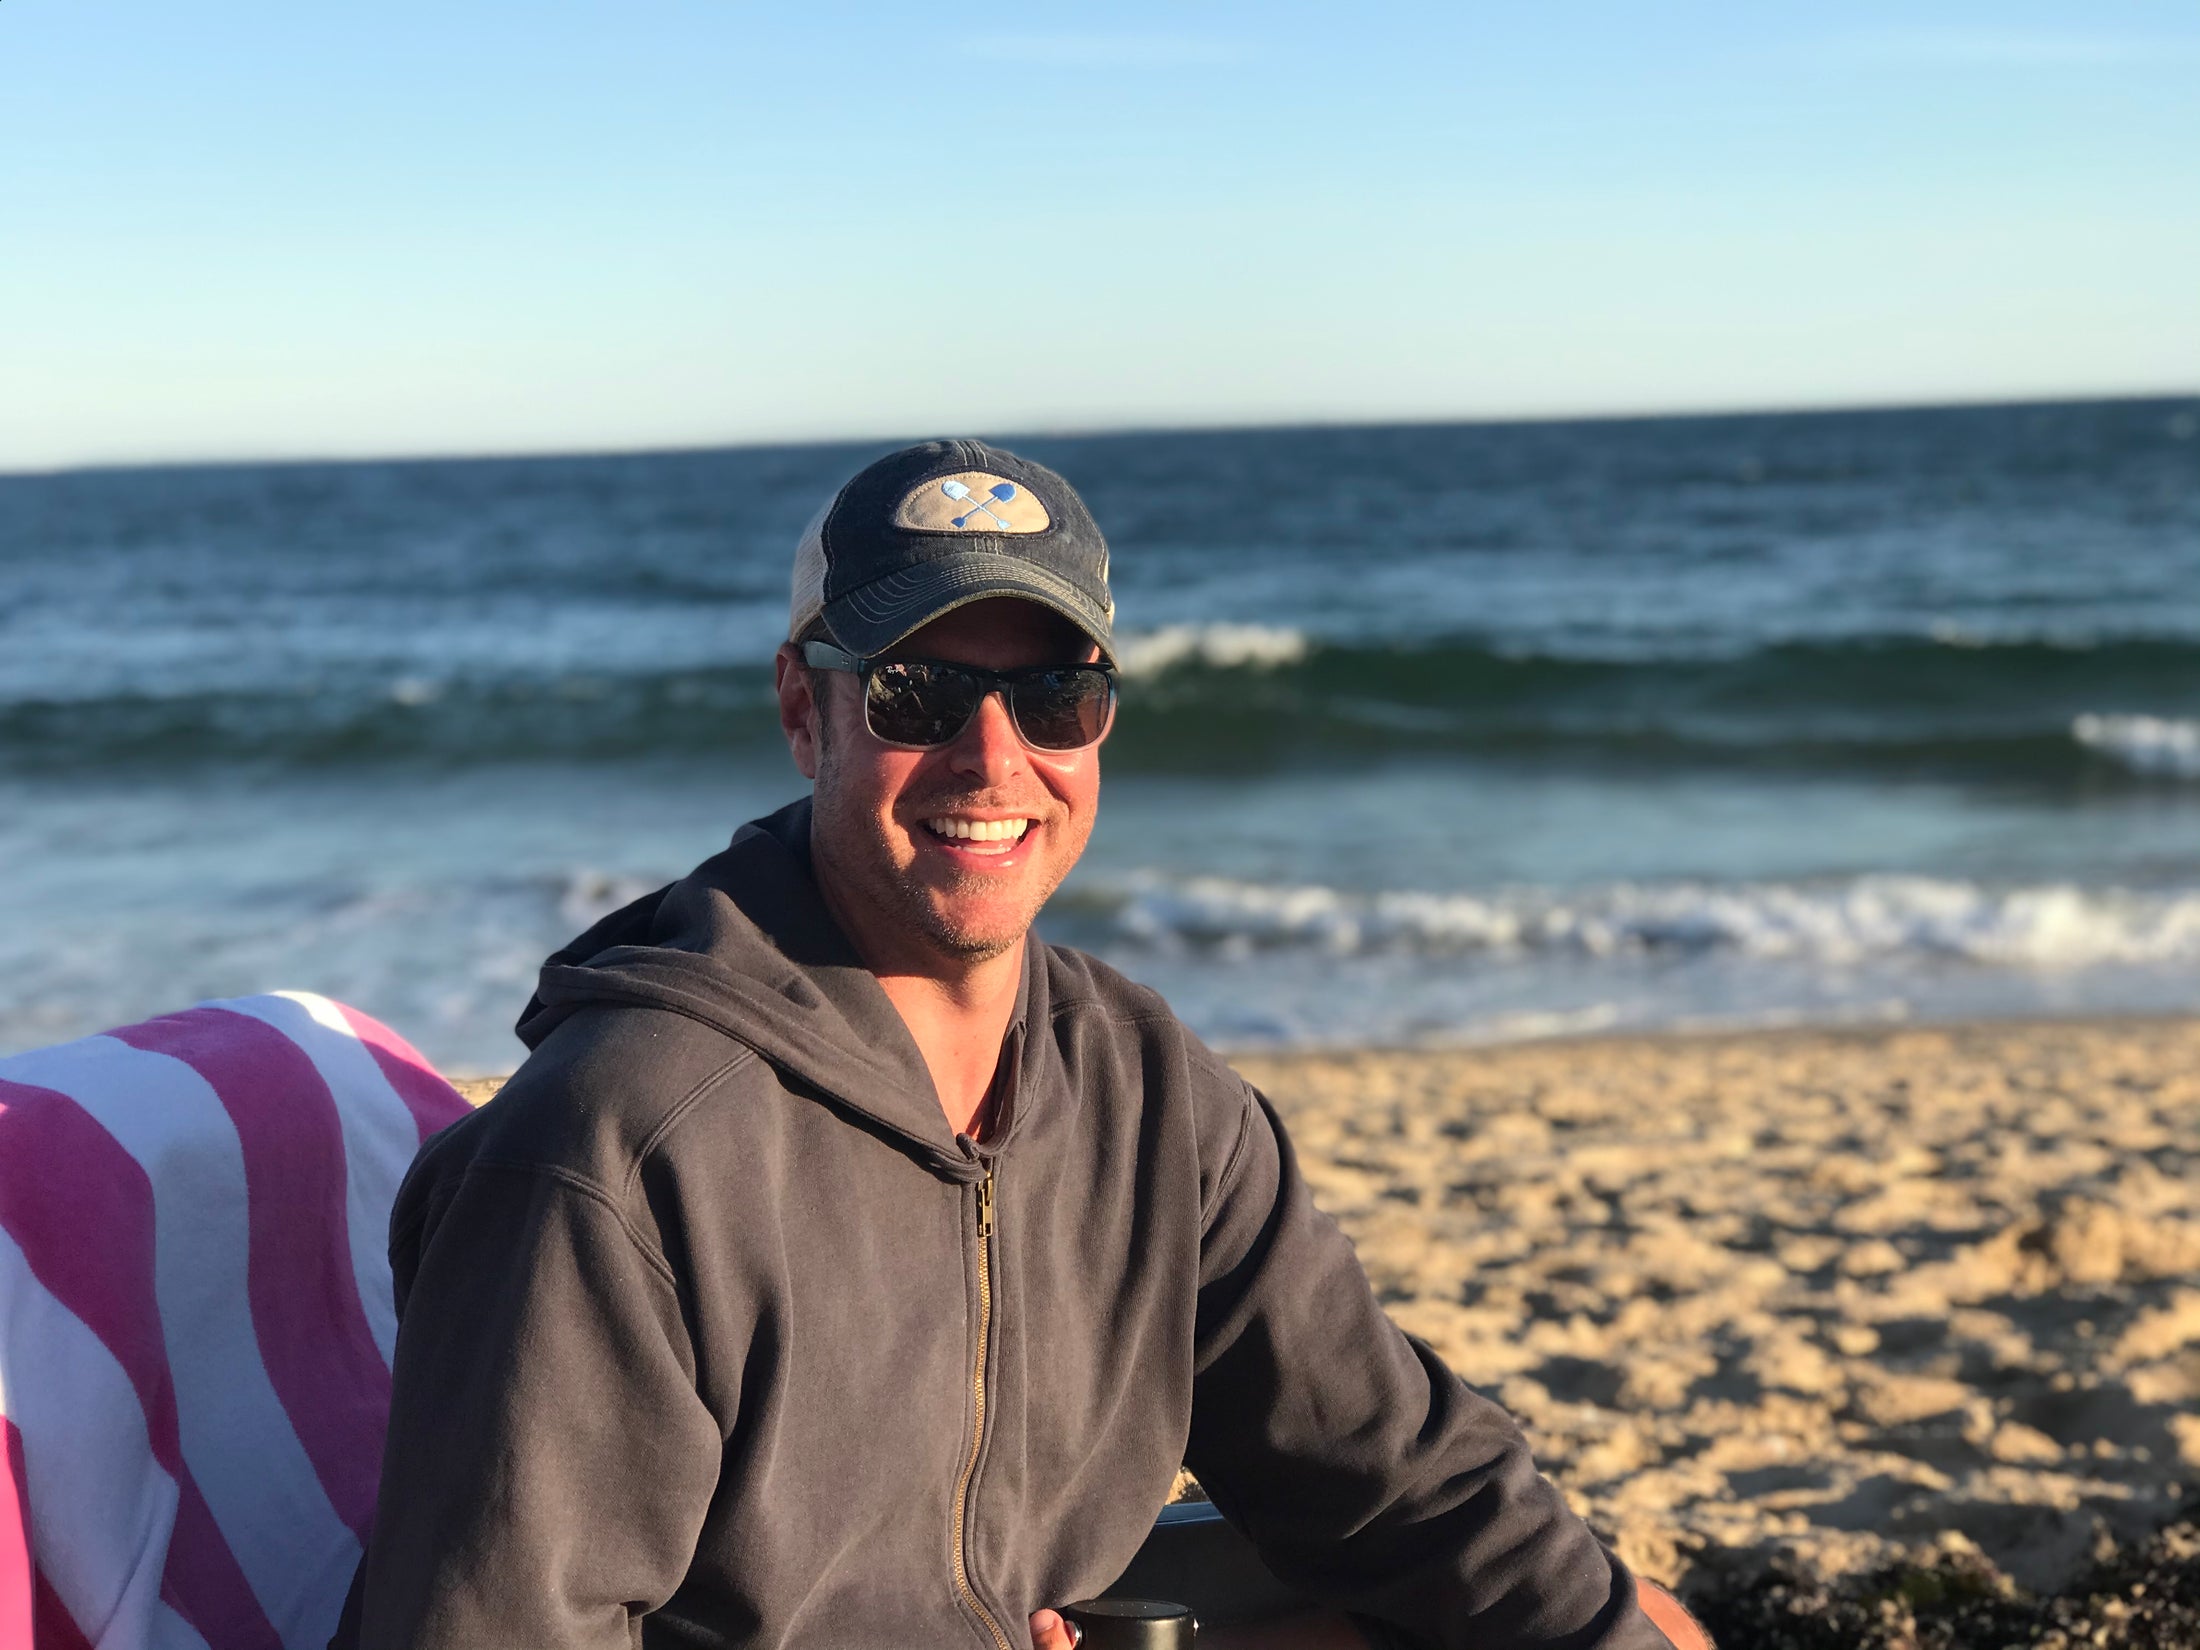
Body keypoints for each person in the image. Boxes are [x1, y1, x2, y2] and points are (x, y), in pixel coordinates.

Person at [334, 440, 1709, 1650]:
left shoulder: (1143, 1089)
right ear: (805, 709)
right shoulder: (623, 1149)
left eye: (1055, 693)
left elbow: (1400, 1474)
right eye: (918, 694)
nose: (996, 761)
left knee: (1623, 1612)